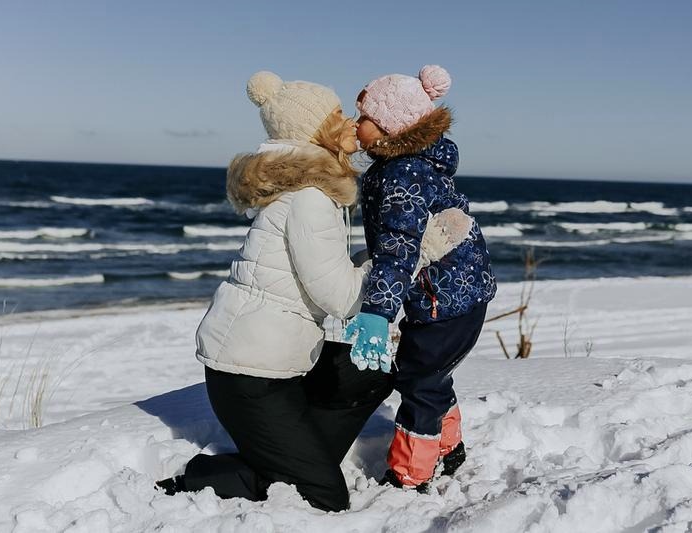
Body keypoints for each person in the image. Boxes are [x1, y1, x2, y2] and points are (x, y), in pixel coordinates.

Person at [157, 71, 472, 511]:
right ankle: (199, 477)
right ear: (314, 130)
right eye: (339, 114)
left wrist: (382, 269)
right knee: (324, 493)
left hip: (281, 362)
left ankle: (297, 458)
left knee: (372, 374)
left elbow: (332, 274)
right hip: (249, 376)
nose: (350, 123)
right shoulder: (310, 198)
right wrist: (420, 251)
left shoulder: (314, 191)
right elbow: (341, 298)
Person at [346, 65, 498, 491]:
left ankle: (410, 471)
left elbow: (400, 245)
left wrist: (378, 310)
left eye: (364, 117)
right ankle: (448, 446)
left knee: (419, 379)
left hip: (445, 299)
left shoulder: (402, 175)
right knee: (427, 373)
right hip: (455, 293)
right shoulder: (407, 166)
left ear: (390, 126)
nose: (356, 125)